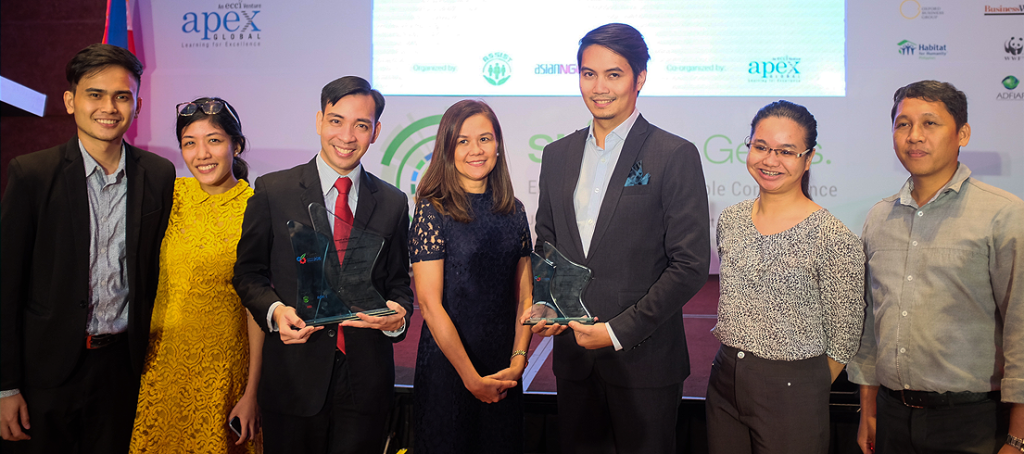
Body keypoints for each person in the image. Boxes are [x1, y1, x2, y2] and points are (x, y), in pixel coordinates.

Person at [530, 23, 711, 453]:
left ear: (640, 78)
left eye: (614, 74)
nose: (599, 87)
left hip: (644, 362)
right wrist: (545, 302)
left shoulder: (674, 154)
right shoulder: (557, 155)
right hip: (574, 362)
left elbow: (688, 266)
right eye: (589, 73)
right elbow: (547, 244)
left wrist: (615, 331)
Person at [0, 43, 175, 453]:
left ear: (138, 104)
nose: (109, 107)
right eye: (95, 94)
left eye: (122, 96)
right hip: (45, 372)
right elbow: (5, 287)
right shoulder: (31, 174)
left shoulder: (158, 175)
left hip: (124, 368)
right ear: (70, 100)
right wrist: (5, 386)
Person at [232, 76, 413, 454]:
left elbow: (398, 284)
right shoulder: (273, 191)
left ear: (376, 132)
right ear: (319, 121)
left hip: (365, 381)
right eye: (336, 121)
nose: (347, 136)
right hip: (293, 377)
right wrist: (276, 312)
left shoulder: (393, 202)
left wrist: (398, 318)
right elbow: (248, 274)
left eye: (361, 125)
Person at [847, 80, 1024, 454]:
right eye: (902, 124)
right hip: (892, 417)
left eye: (930, 123)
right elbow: (869, 328)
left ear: (962, 133)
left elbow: (1021, 329)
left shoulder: (1003, 214)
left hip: (972, 422)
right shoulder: (879, 218)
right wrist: (868, 410)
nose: (914, 136)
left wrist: (1018, 437)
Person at [704, 100, 865, 454]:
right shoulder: (730, 220)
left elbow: (845, 336)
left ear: (808, 159)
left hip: (794, 389)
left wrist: (800, 387)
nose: (770, 160)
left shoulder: (833, 237)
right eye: (760, 147)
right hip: (724, 380)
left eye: (786, 151)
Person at [130, 97, 264, 452]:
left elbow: (257, 308)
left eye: (214, 140)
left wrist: (252, 392)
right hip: (159, 366)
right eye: (190, 143)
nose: (201, 153)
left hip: (222, 374)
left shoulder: (256, 209)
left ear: (236, 145)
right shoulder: (169, 194)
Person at [410, 100, 534, 453]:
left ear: (498, 145)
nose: (475, 150)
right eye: (463, 141)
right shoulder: (432, 210)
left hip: (503, 370)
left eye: (485, 138)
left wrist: (517, 363)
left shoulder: (514, 211)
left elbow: (525, 298)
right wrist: (470, 378)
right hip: (449, 370)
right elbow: (431, 306)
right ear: (447, 148)